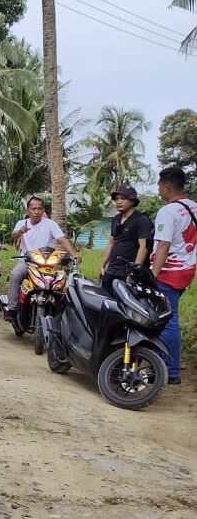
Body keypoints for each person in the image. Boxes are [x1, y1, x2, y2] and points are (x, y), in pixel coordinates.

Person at [151, 165, 197, 386]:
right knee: (169, 317)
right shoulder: (194, 207)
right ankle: (163, 364)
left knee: (167, 320)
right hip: (186, 271)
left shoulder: (167, 212)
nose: (158, 189)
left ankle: (169, 370)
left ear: (168, 187)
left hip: (169, 273)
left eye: (159, 185)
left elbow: (163, 245)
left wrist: (153, 274)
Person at [5, 196, 78, 321]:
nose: (37, 211)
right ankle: (12, 308)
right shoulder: (22, 223)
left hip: (47, 263)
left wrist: (73, 254)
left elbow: (61, 239)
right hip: (27, 262)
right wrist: (20, 232)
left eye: (39, 209)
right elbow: (13, 235)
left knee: (61, 282)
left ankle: (61, 314)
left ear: (43, 210)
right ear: (28, 210)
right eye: (33, 209)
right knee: (15, 274)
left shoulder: (50, 224)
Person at [99, 185, 154, 295]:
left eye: (123, 199)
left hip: (127, 271)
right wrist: (102, 265)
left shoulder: (141, 220)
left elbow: (143, 247)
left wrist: (135, 272)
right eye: (117, 199)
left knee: (124, 300)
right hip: (112, 269)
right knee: (105, 298)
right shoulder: (116, 219)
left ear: (132, 201)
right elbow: (111, 242)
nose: (119, 202)